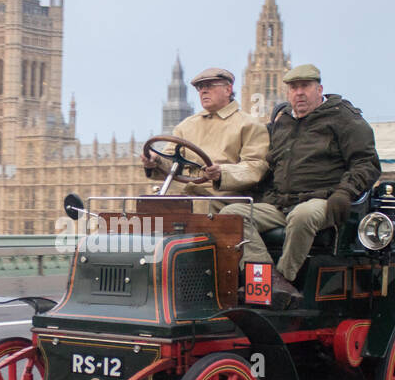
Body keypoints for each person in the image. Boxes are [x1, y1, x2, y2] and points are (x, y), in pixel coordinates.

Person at [222, 64, 380, 308]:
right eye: (293, 88)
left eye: (305, 87)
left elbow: (366, 163)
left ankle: (286, 281)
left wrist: (344, 192)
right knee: (231, 215)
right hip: (281, 202)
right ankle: (268, 280)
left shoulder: (343, 118)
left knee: (302, 216)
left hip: (324, 199)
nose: (299, 93)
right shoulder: (283, 122)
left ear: (319, 89)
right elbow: (269, 165)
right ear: (287, 93)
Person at [143, 67, 268, 199]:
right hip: (184, 195)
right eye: (200, 87)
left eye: (209, 86)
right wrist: (155, 161)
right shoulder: (186, 125)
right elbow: (172, 163)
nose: (203, 91)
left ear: (228, 90)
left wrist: (222, 173)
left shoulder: (249, 125)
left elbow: (255, 167)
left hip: (224, 198)